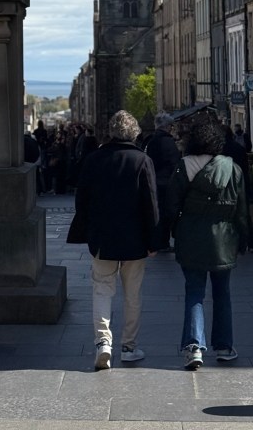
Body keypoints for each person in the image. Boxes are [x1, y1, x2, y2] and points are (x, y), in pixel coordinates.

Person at [71, 110, 158, 370]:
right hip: (135, 239)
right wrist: (154, 240)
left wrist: (88, 230)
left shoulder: (94, 159)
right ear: (135, 134)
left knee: (102, 289)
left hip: (102, 237)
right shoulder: (142, 160)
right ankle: (129, 346)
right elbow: (151, 204)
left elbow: (81, 200)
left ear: (111, 132)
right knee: (133, 294)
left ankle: (103, 343)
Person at [165, 118, 249, 370]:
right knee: (222, 293)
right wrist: (243, 239)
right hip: (224, 239)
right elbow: (241, 210)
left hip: (190, 237)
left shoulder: (184, 167)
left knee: (194, 292)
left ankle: (193, 347)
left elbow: (171, 206)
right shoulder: (233, 169)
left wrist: (168, 233)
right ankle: (224, 346)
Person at [144, 112, 181, 249]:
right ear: (166, 126)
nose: (172, 128)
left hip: (153, 181)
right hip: (166, 183)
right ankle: (163, 241)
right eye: (171, 126)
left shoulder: (151, 140)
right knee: (166, 214)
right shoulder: (167, 141)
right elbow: (174, 163)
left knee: (157, 212)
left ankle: (158, 240)